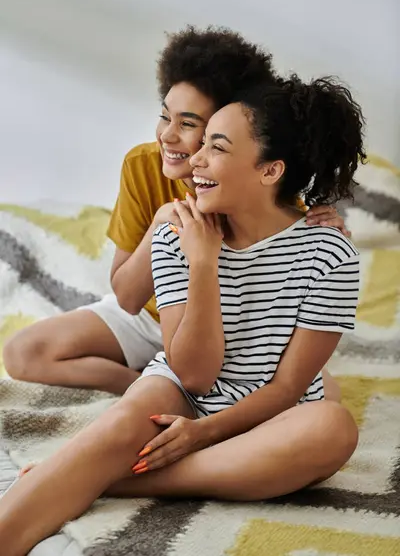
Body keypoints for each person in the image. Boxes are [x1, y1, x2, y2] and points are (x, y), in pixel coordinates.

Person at [0, 73, 365, 556]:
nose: (194, 159)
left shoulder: (330, 254)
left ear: (271, 171)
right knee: (130, 415)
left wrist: (202, 435)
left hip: (271, 411)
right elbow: (193, 374)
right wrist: (202, 263)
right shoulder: (179, 233)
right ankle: (72, 478)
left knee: (332, 428)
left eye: (216, 146)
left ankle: (116, 481)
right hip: (182, 387)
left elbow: (288, 388)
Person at [3, 27, 348, 395]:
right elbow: (128, 298)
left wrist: (325, 232)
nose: (167, 135)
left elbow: (286, 283)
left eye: (187, 124)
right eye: (165, 116)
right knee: (22, 353)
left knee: (323, 395)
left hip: (227, 326)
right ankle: (148, 385)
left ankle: (184, 386)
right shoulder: (142, 165)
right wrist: (158, 225)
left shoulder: (259, 185)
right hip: (149, 319)